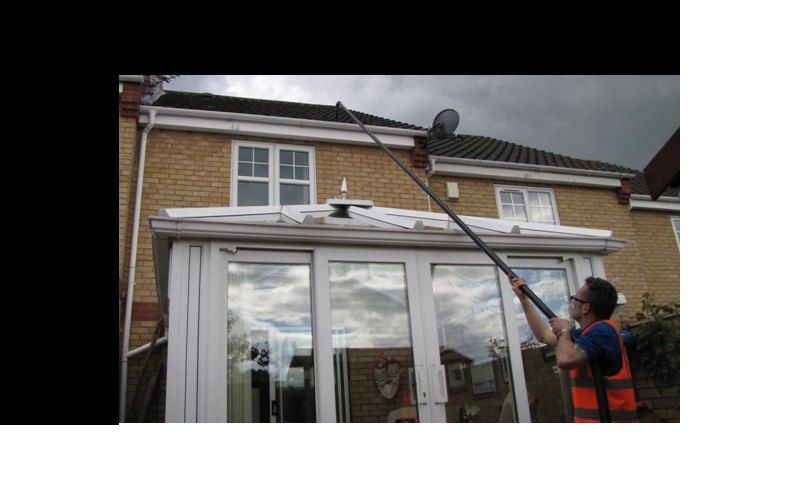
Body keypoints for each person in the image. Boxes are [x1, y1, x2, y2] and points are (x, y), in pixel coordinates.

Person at [509, 275, 638, 422]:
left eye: (574, 299)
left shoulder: (603, 332)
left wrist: (564, 331)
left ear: (585, 307)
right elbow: (544, 336)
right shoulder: (587, 334)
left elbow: (565, 360)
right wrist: (524, 300)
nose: (572, 303)